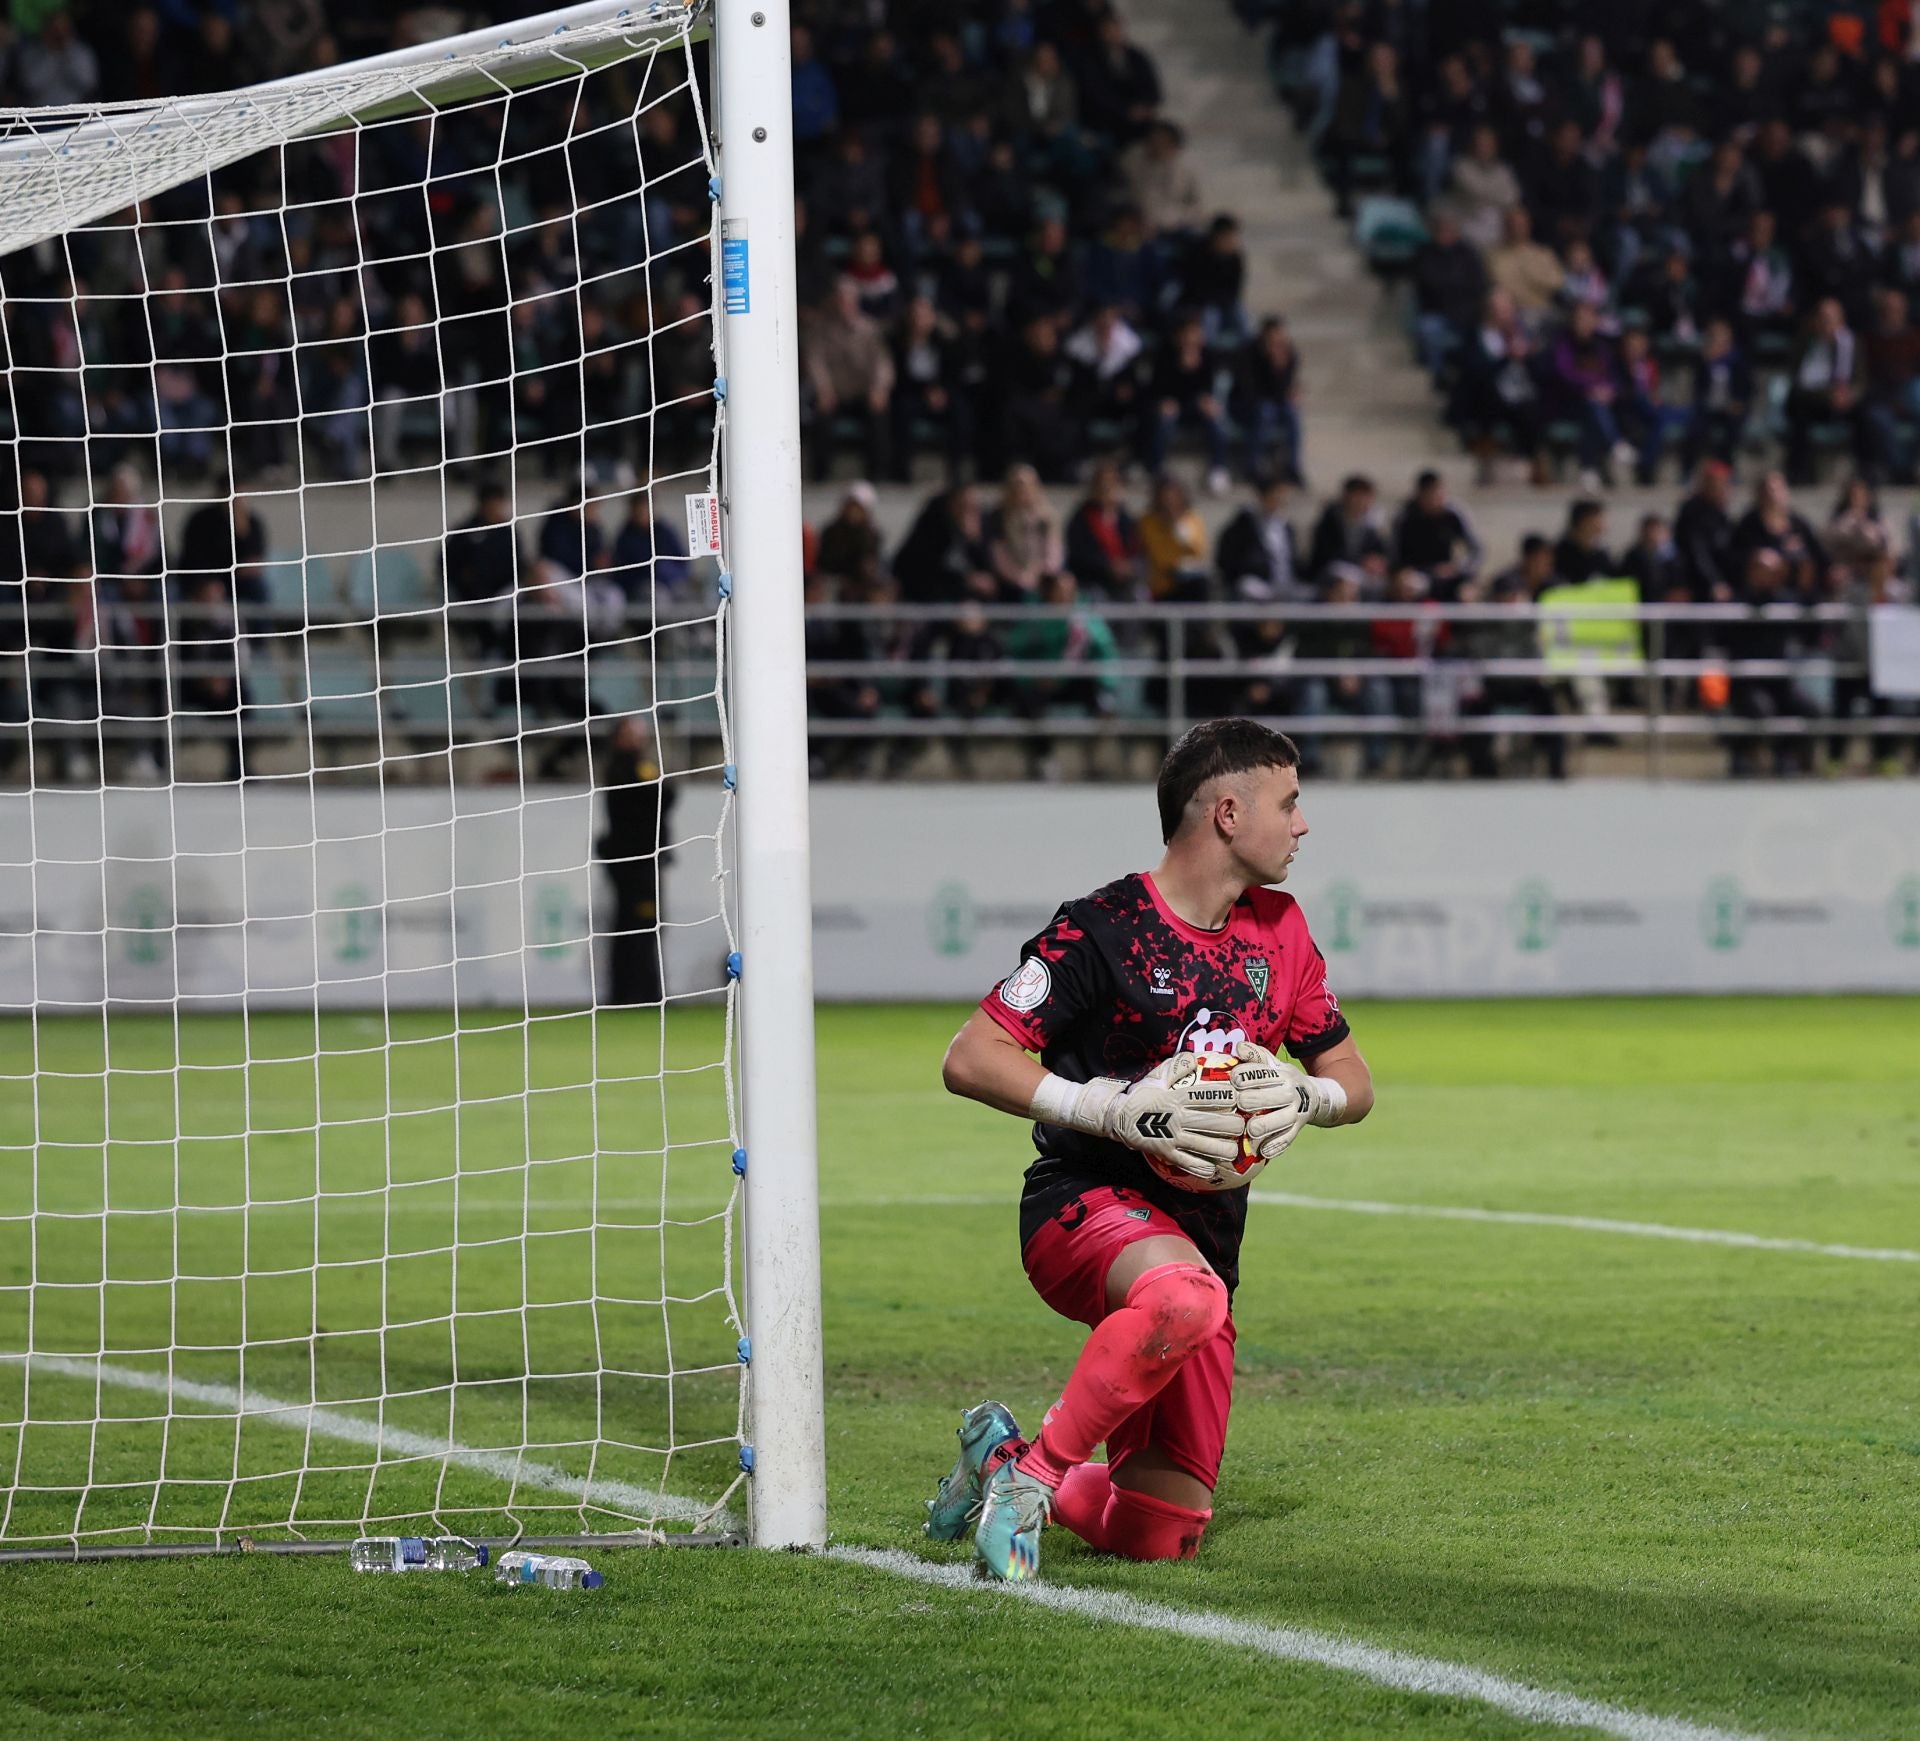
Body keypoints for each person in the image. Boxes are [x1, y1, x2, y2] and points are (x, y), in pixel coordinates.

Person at [930, 718, 1373, 1579]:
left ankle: (997, 1459)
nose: (1304, 823)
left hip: (1206, 1241)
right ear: (1229, 813)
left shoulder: (1280, 931)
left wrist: (1310, 1097)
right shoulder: (1103, 928)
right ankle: (1033, 1479)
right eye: (1291, 801)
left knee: (1159, 1528)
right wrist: (1107, 1108)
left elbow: (1352, 1072)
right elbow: (970, 1055)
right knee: (1181, 1296)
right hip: (1081, 1203)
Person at [596, 716, 677, 1006]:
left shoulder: (625, 768)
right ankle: (645, 993)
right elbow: (664, 795)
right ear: (619, 738)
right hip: (636, 863)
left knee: (633, 926)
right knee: (641, 925)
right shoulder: (629, 769)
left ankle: (627, 994)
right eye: (631, 732)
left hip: (634, 860)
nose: (639, 737)